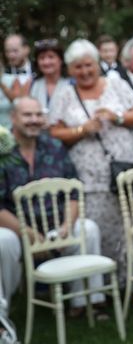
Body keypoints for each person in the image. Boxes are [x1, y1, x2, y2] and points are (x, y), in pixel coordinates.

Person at [48, 39, 133, 304]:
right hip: (89, 178)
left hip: (124, 171)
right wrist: (82, 130)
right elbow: (54, 131)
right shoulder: (64, 93)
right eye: (78, 67)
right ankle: (100, 290)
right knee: (98, 230)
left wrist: (117, 118)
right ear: (70, 69)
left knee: (131, 227)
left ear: (97, 64)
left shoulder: (115, 83)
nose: (85, 71)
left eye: (89, 65)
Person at [0, 97, 107, 319]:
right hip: (16, 229)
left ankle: (86, 302)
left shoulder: (55, 147)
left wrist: (67, 224)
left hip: (55, 226)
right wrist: (26, 233)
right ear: (13, 118)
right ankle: (4, 313)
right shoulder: (3, 151)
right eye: (27, 115)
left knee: (87, 228)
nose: (34, 120)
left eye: (39, 115)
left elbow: (73, 190)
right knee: (3, 242)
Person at [29, 38, 70, 116]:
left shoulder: (72, 84)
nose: (46, 62)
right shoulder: (31, 84)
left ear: (61, 60)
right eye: (42, 58)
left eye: (51, 57)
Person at [1, 35, 33, 127]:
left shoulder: (38, 70)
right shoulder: (3, 73)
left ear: (26, 49)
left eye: (15, 51)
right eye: (7, 51)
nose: (11, 55)